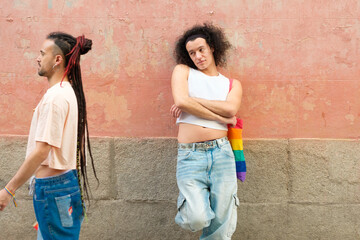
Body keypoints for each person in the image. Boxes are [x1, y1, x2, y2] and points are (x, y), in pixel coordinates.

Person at [0, 32, 98, 239]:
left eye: (42, 53)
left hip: (54, 190)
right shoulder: (67, 92)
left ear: (57, 60)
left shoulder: (56, 98)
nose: (38, 57)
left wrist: (8, 190)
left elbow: (42, 151)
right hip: (60, 187)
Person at [170, 23, 242, 239]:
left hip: (222, 154)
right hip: (190, 155)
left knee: (221, 223)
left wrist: (192, 101)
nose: (197, 56)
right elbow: (181, 100)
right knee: (197, 217)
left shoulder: (231, 84)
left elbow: (231, 108)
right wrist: (222, 118)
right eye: (192, 53)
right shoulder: (183, 71)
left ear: (211, 47)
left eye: (201, 50)